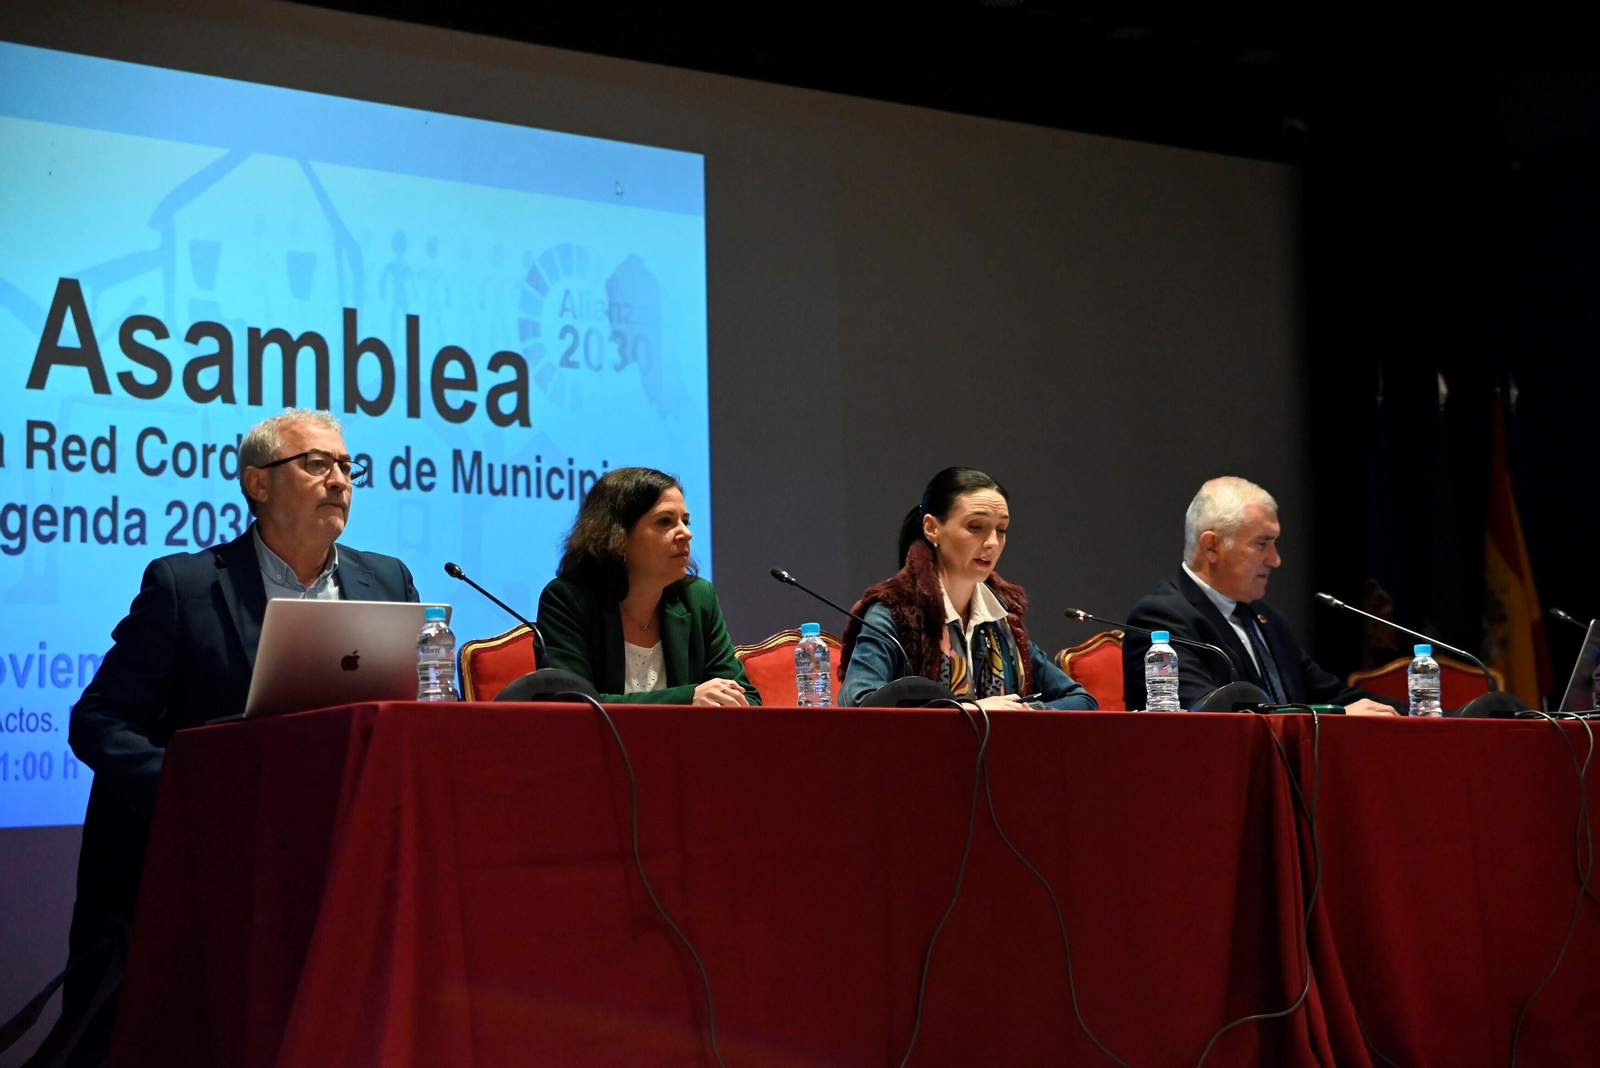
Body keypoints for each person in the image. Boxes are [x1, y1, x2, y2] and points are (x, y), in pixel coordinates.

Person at [44, 410, 419, 1067]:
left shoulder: (386, 581)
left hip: (340, 865)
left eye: (346, 467)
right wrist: (197, 796)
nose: (340, 481)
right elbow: (99, 720)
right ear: (259, 483)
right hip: (211, 879)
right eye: (317, 464)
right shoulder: (185, 587)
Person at [1122, 476, 1401, 714]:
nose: (1275, 559)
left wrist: (1428, 717)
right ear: (1212, 547)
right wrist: (1336, 716)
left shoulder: (1266, 620)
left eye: (1275, 543)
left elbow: (1333, 696)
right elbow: (1213, 717)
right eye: (1262, 543)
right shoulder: (1160, 619)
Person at [838, 468, 1097, 709]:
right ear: (931, 528)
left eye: (1002, 529)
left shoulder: (1002, 619)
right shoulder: (895, 612)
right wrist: (968, 712)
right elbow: (859, 705)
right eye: (975, 527)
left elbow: (1082, 701)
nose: (992, 542)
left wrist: (1023, 712)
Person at [537, 467, 759, 705]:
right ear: (617, 538)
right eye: (665, 521)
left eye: (685, 521)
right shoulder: (568, 600)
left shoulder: (697, 599)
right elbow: (571, 704)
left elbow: (747, 700)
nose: (686, 533)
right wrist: (686, 699)